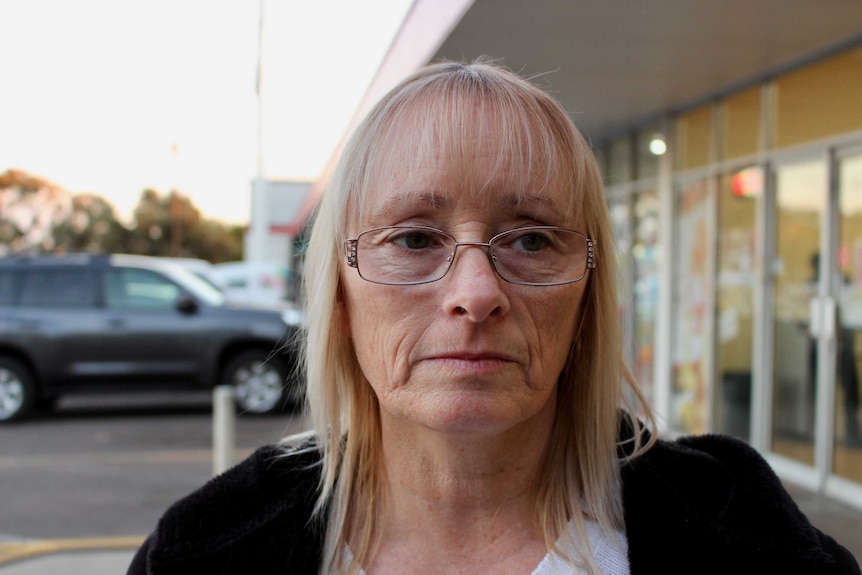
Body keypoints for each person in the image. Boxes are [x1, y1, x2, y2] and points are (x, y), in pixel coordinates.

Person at [127, 60, 859, 575]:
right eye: (413, 238)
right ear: (340, 296)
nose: (476, 293)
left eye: (533, 239)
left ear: (587, 294)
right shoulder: (207, 549)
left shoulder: (742, 532)